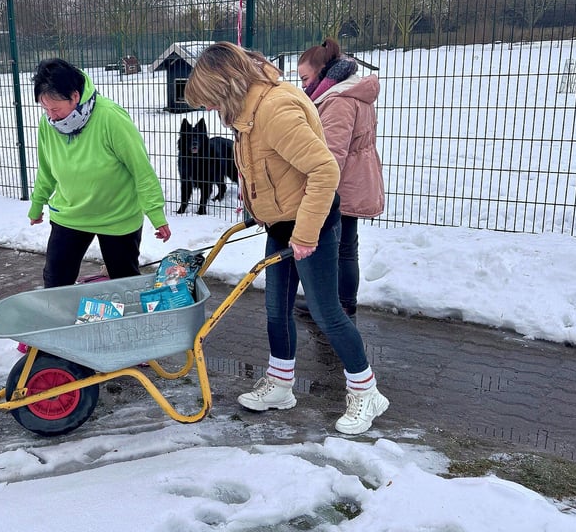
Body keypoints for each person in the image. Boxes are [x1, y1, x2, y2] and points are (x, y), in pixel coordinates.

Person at [183, 42, 388, 435]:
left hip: (311, 222)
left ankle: (366, 390)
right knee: (276, 310)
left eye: (210, 99)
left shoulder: (275, 109)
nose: (209, 109)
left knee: (327, 313)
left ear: (226, 85)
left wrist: (307, 234)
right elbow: (264, 166)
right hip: (281, 223)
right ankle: (280, 384)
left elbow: (325, 171)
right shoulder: (246, 111)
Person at [28, 57, 172, 289]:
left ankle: (127, 323)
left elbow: (141, 169)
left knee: (124, 282)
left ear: (75, 96)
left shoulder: (110, 118)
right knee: (55, 281)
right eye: (44, 108)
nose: (51, 116)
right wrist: (37, 204)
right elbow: (47, 169)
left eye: (55, 108)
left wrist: (155, 213)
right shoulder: (49, 124)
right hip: (70, 214)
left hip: (117, 216)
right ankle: (60, 323)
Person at [294, 39, 385, 324]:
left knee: (341, 247)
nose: (303, 87)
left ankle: (339, 307)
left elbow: (332, 153)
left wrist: (318, 192)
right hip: (355, 178)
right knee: (343, 245)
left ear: (323, 73)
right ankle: (336, 304)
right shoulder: (349, 93)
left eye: (305, 79)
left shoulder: (338, 101)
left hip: (345, 183)